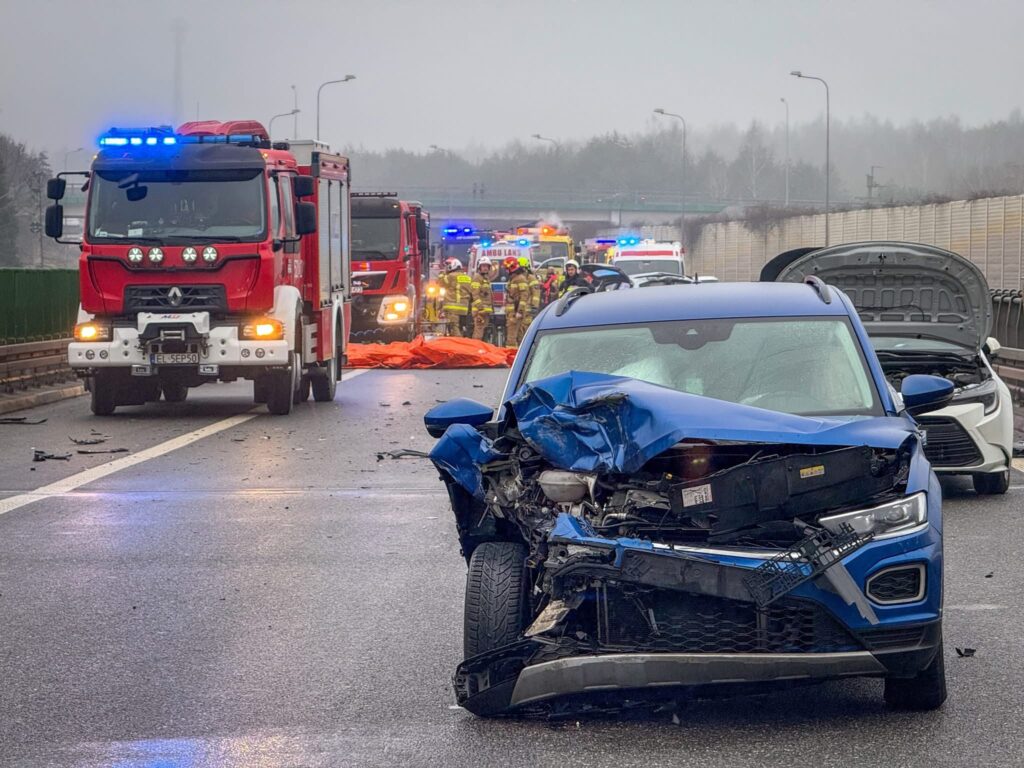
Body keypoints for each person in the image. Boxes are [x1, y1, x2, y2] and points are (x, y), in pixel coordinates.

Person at [503, 255, 531, 347]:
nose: (506, 271)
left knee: (511, 338)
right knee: (519, 336)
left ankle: (512, 357)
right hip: (512, 312)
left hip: (515, 313)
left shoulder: (520, 279)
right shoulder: (513, 279)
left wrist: (520, 311)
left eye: (507, 268)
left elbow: (524, 296)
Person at [440, 258, 471, 337]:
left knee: (454, 327)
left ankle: (459, 344)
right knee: (460, 327)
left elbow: (441, 283)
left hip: (453, 307)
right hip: (464, 308)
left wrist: (442, 273)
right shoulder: (467, 277)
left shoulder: (451, 276)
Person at [470, 257, 494, 341]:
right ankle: (475, 349)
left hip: (485, 311)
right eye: (483, 266)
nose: (485, 268)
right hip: (479, 311)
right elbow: (475, 295)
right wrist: (481, 308)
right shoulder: (477, 277)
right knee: (478, 331)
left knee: (482, 331)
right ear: (479, 267)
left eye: (487, 266)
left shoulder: (486, 279)